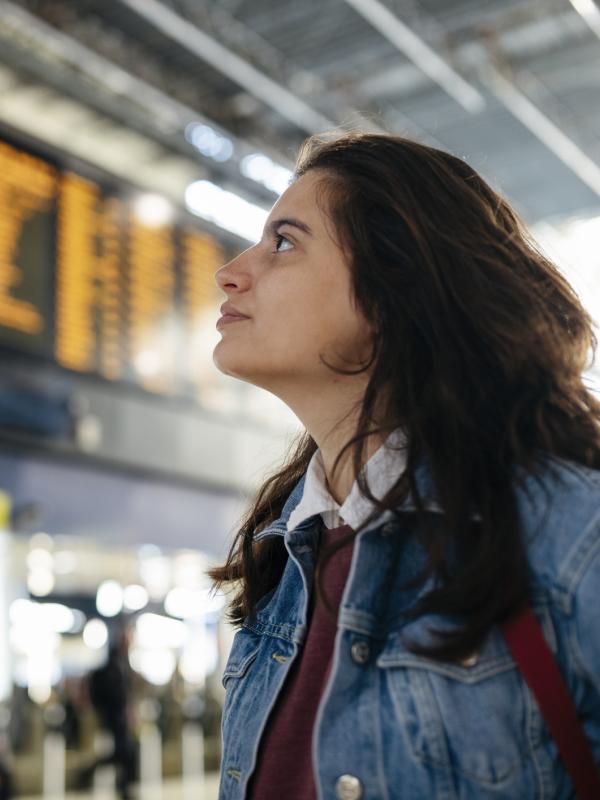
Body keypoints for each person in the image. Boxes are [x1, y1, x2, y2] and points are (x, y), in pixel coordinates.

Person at [209, 132, 600, 799]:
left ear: (392, 295)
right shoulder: (284, 559)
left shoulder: (568, 533)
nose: (232, 271)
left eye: (284, 242)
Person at [77, 621, 138, 799]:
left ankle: (121, 788)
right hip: (113, 716)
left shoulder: (122, 661)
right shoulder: (112, 662)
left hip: (118, 716)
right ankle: (90, 773)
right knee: (123, 753)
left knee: (124, 753)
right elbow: (111, 690)